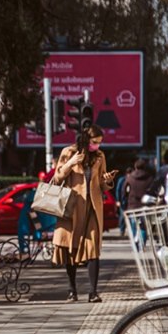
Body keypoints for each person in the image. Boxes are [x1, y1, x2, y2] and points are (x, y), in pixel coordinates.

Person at [51, 124, 118, 303]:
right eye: (95, 142)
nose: (97, 145)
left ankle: (93, 292)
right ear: (86, 139)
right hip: (72, 206)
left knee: (93, 249)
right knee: (70, 248)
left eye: (100, 143)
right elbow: (57, 178)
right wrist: (71, 162)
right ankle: (72, 290)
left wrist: (107, 180)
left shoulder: (100, 156)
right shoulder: (68, 152)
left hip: (92, 208)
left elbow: (102, 186)